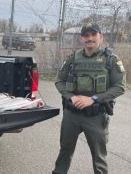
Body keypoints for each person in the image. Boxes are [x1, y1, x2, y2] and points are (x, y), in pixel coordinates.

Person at [52, 23, 126, 174]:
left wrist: (93, 98)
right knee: (65, 151)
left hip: (96, 116)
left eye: (94, 35)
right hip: (72, 114)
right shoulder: (72, 58)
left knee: (99, 157)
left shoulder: (111, 59)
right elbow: (59, 81)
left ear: (101, 37)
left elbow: (119, 87)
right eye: (86, 35)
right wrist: (71, 97)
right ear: (81, 39)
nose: (90, 38)